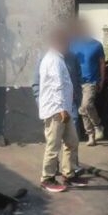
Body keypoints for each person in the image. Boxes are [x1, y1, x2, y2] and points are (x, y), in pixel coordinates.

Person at [37, 26, 84, 192]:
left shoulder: (59, 58)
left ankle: (68, 174)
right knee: (53, 145)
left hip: (64, 109)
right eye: (66, 42)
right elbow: (57, 85)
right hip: (57, 110)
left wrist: (66, 108)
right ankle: (47, 178)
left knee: (72, 141)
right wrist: (61, 109)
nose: (68, 45)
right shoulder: (53, 60)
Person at [69, 20, 107, 144]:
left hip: (91, 81)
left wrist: (102, 80)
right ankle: (91, 135)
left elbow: (102, 63)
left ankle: (98, 125)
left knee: (86, 105)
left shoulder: (96, 45)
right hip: (77, 81)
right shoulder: (73, 45)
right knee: (82, 109)